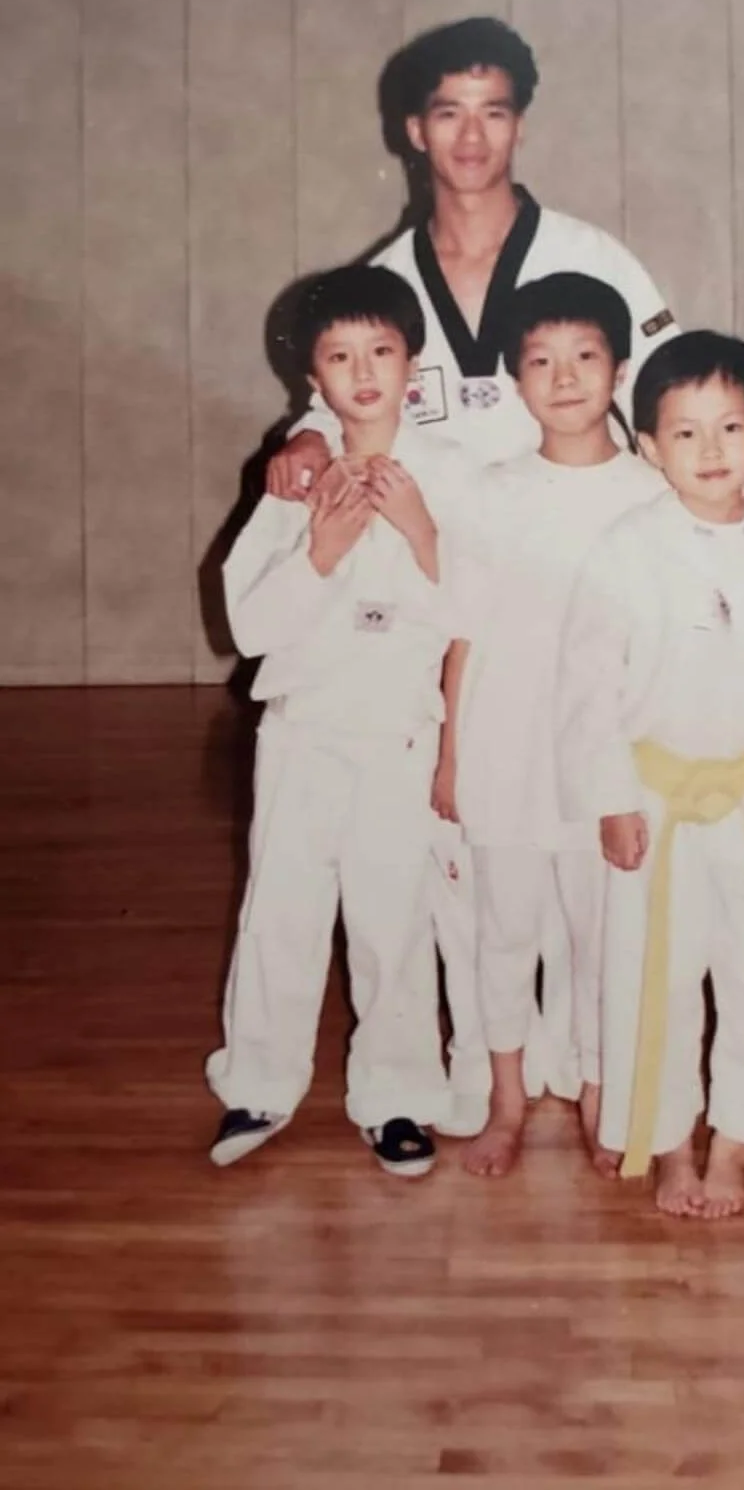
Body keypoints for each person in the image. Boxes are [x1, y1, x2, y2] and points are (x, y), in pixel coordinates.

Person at [263, 17, 744, 1137]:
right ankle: (490, 1077)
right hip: (450, 600)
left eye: (495, 111)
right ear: (412, 130)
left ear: (520, 122)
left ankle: (603, 1071)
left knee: (598, 864)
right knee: (471, 861)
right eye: (450, 113)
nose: (472, 137)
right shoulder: (387, 279)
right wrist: (310, 437)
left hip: (595, 585)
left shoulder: (594, 259)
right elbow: (339, 391)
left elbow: (683, 389)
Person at [557, 331, 744, 1217]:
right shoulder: (626, 547)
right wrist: (612, 799)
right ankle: (671, 1145)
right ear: (650, 447)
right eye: (685, 433)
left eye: (731, 426)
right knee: (654, 978)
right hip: (660, 800)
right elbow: (590, 687)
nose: (712, 450)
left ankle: (737, 1142)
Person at [205, 265, 477, 1173]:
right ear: (312, 376)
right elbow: (249, 626)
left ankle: (397, 1097)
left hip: (401, 733)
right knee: (281, 911)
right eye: (339, 356)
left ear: (413, 364)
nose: (363, 372)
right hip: (304, 731)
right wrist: (319, 552)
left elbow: (477, 615)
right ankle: (257, 1085)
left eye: (381, 351)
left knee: (393, 919)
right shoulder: (298, 480)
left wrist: (422, 530)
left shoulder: (451, 477)